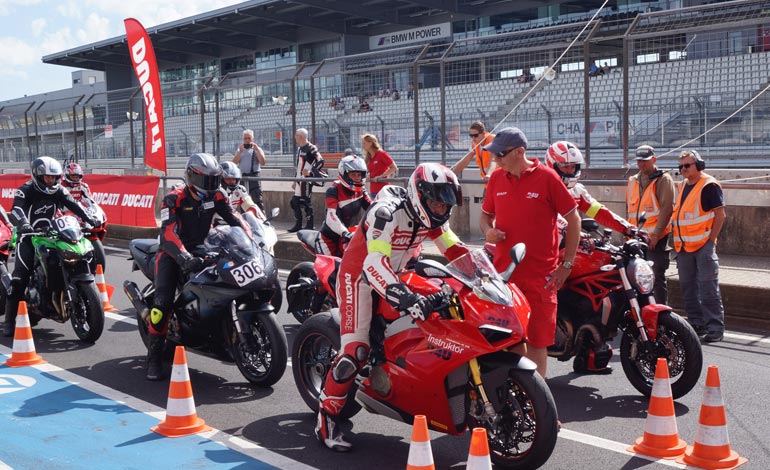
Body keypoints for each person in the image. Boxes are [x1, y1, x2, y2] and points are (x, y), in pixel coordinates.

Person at [316, 163, 468, 451]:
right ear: (419, 195)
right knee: (355, 352)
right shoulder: (385, 213)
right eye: (435, 201)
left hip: (398, 274)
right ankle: (327, 416)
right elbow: (374, 263)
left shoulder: (433, 218)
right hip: (358, 277)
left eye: (444, 203)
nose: (439, 208)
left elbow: (455, 250)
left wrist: (487, 273)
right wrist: (407, 298)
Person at [479, 128, 580, 379]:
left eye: (501, 154)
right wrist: (487, 231)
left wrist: (566, 264)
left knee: (537, 343)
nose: (496, 159)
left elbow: (574, 218)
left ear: (520, 152)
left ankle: (537, 401)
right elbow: (484, 216)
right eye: (494, 154)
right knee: (511, 339)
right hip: (505, 277)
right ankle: (519, 396)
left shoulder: (547, 178)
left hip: (540, 278)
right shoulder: (496, 179)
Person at [146, 153, 250, 380]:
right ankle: (153, 358)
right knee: (162, 304)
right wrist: (183, 257)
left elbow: (235, 219)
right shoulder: (174, 198)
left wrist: (251, 240)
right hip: (172, 252)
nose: (211, 186)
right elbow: (168, 232)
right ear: (192, 177)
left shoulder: (218, 195)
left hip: (204, 247)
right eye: (206, 181)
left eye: (214, 180)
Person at [3, 157, 97, 336]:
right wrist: (23, 223)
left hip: (52, 235)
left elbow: (73, 205)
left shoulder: (60, 190)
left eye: (54, 177)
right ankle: (8, 320)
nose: (51, 181)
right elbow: (16, 209)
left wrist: (89, 218)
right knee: (19, 278)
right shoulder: (26, 190)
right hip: (30, 237)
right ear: (38, 175)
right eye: (47, 177)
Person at [672, 150, 726, 343]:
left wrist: (711, 242)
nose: (683, 169)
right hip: (684, 247)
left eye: (687, 165)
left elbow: (720, 215)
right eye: (681, 166)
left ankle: (715, 327)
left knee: (708, 288)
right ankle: (697, 322)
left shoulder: (709, 185)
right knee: (688, 288)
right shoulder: (682, 185)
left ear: (699, 165)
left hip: (703, 245)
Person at [546, 141, 635, 237]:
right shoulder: (541, 189)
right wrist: (568, 230)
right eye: (566, 167)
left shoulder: (577, 191)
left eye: (573, 167)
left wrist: (627, 228)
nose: (570, 171)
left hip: (568, 245)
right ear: (552, 165)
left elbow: (598, 212)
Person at [626, 145, 676, 303]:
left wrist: (655, 235)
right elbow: (630, 210)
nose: (642, 165)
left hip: (655, 239)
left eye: (645, 161)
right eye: (639, 161)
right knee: (636, 278)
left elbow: (667, 209)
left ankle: (661, 316)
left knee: (656, 277)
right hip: (637, 238)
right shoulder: (633, 181)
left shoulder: (663, 179)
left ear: (654, 159)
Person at [318, 155, 372, 257]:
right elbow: (331, 216)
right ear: (344, 174)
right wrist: (344, 233)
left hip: (350, 236)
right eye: (353, 174)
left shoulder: (361, 190)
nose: (357, 178)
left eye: (359, 174)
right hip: (330, 239)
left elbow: (373, 208)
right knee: (333, 270)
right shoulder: (334, 190)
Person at [289, 128, 325, 233]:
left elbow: (320, 161)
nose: (295, 137)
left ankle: (310, 225)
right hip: (299, 179)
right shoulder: (300, 148)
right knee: (294, 202)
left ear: (300, 136)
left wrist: (310, 172)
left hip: (307, 180)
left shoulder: (311, 148)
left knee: (306, 201)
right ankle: (298, 224)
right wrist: (295, 181)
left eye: (296, 135)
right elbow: (299, 166)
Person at [450, 121, 496, 187]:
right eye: (471, 136)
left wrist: (489, 174)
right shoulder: (475, 144)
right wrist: (451, 173)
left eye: (475, 135)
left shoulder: (492, 140)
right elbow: (466, 159)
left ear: (483, 133)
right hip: (488, 183)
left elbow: (493, 159)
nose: (473, 138)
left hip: (497, 180)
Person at [232, 129, 266, 211]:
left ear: (252, 139)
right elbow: (233, 163)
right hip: (243, 177)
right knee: (244, 202)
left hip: (254, 177)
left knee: (257, 199)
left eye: (249, 138)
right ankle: (245, 219)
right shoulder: (240, 150)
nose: (247, 140)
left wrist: (257, 150)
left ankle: (262, 219)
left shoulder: (257, 149)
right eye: (245, 138)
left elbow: (263, 162)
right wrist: (240, 152)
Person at [362, 133, 397, 198]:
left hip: (383, 190)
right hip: (373, 191)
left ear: (370, 143)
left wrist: (381, 176)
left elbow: (394, 168)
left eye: (364, 143)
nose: (363, 145)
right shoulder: (368, 157)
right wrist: (368, 176)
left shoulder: (381, 154)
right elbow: (371, 171)